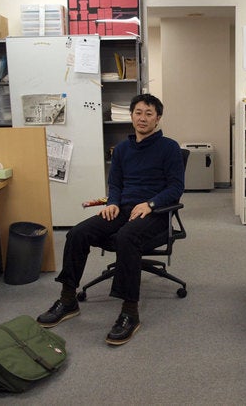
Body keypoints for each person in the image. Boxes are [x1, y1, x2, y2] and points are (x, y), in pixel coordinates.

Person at [36, 93, 184, 345]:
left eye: (149, 114)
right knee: (78, 233)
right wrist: (113, 202)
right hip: (122, 209)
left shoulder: (169, 147)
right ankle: (68, 299)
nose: (142, 118)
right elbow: (115, 183)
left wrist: (150, 204)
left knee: (127, 236)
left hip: (156, 214)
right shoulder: (122, 149)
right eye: (138, 112)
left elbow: (176, 187)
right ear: (131, 116)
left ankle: (130, 312)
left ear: (158, 118)